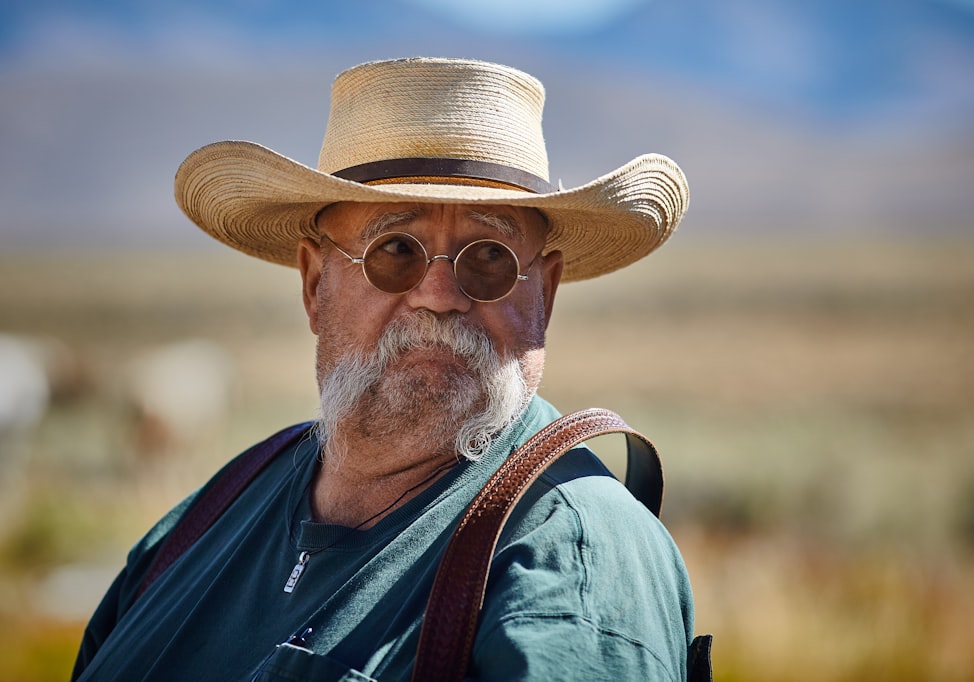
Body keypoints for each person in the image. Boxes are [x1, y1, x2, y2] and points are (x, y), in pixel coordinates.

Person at [72, 57, 698, 681]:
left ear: (546, 294)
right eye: (395, 250)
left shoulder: (567, 561)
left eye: (489, 256)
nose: (441, 295)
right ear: (315, 284)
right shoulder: (204, 520)